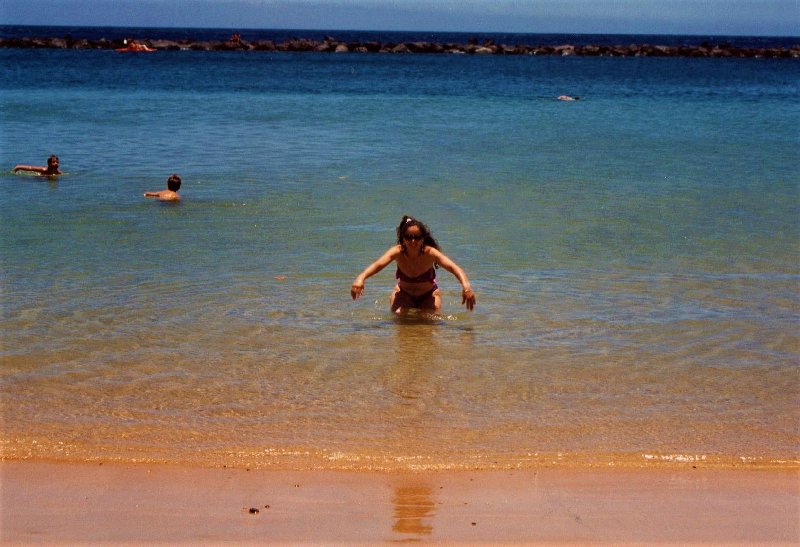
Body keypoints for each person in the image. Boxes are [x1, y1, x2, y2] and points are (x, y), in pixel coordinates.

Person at [351, 215, 476, 315]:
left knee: (429, 320)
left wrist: (467, 288)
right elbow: (378, 265)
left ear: (423, 238)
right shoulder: (397, 252)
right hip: (403, 294)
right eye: (409, 237)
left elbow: (455, 268)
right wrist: (361, 278)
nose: (413, 241)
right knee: (399, 316)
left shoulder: (430, 253)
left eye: (417, 237)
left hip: (428, 295)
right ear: (402, 238)